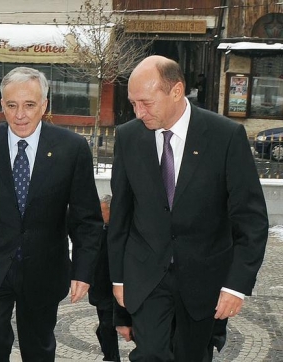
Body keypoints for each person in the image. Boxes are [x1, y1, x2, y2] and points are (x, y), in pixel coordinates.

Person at [107, 55, 268, 361]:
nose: (138, 112)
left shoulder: (224, 136)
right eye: (133, 103)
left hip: (203, 279)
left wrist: (236, 286)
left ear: (176, 91)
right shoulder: (129, 137)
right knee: (150, 354)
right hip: (146, 275)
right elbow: (121, 217)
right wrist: (118, 281)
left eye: (146, 102)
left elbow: (251, 220)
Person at [0, 66, 102, 362]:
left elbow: (87, 220)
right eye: (12, 105)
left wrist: (83, 271)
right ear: (2, 105)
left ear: (44, 105)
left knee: (39, 349)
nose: (20, 114)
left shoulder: (72, 149)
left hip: (44, 268)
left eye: (29, 105)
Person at [88, 195, 121, 362]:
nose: (99, 214)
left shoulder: (117, 234)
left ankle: (112, 357)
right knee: (103, 328)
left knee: (107, 327)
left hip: (113, 290)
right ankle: (110, 356)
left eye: (102, 211)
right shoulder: (98, 231)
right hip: (99, 289)